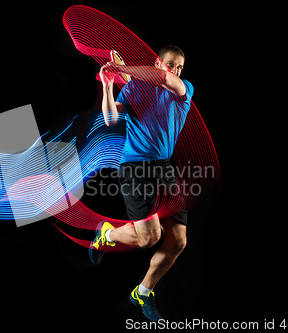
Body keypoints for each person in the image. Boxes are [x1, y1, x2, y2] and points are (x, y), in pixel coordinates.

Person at [89, 45, 194, 322]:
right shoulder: (136, 88)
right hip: (136, 168)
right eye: (171, 65)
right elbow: (111, 119)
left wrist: (120, 69)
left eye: (181, 67)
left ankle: (143, 292)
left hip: (164, 168)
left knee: (178, 241)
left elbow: (164, 80)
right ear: (159, 61)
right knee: (149, 238)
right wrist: (110, 86)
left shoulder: (184, 89)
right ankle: (107, 235)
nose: (177, 71)